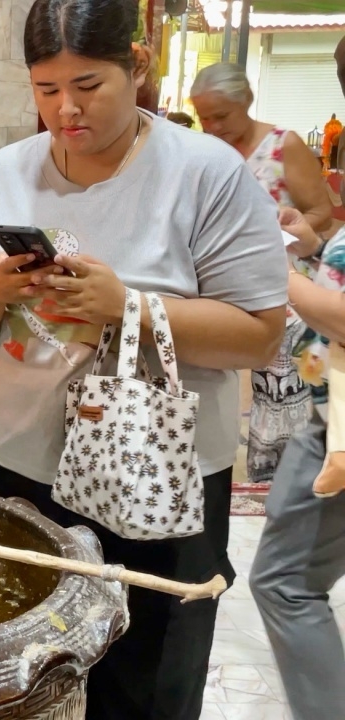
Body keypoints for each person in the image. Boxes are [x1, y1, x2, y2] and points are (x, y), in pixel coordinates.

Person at [0, 0, 286, 717]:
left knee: (148, 679)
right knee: (19, 672)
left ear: (137, 64)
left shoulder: (205, 173)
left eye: (88, 86)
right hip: (19, 470)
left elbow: (259, 334)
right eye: (47, 89)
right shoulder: (1, 175)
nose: (66, 111)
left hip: (159, 478)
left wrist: (126, 307)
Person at [249, 46, 345, 719]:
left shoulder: (286, 147)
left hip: (334, 410)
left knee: (284, 579)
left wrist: (272, 273)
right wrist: (308, 249)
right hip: (317, 401)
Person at [191, 62, 333, 484]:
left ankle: (288, 473)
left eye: (222, 116)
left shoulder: (281, 144)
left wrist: (292, 222)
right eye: (205, 118)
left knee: (283, 380)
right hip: (219, 280)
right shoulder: (205, 150)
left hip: (283, 277)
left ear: (246, 103)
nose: (213, 126)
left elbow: (322, 211)